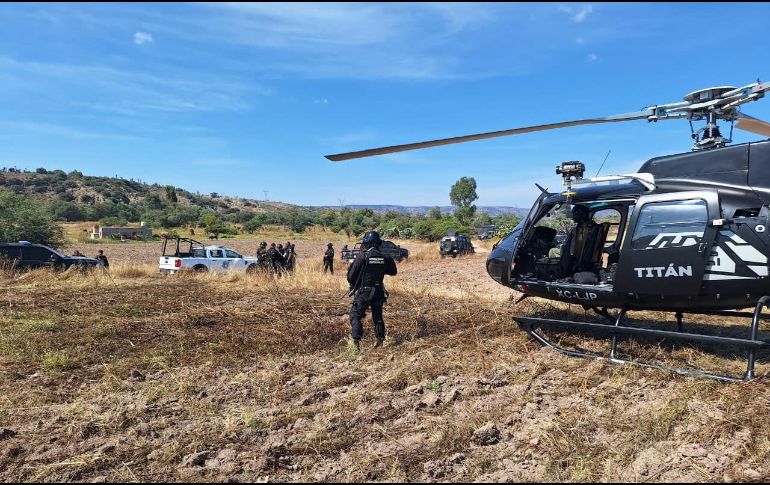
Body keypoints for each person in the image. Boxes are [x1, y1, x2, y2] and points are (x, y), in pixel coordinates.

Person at [346, 231, 397, 352]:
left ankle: (356, 345)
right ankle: (380, 342)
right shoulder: (386, 257)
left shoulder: (362, 256)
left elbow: (350, 276)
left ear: (366, 243)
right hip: (379, 291)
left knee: (355, 315)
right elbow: (393, 271)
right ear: (378, 243)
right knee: (378, 317)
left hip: (365, 291)